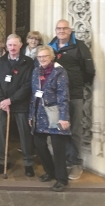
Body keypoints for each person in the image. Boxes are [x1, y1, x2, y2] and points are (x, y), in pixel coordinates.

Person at [48, 19, 95, 180]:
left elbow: (89, 69)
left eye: (64, 28)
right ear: (55, 30)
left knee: (74, 130)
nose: (61, 30)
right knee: (60, 129)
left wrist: (79, 83)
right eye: (58, 28)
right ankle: (65, 160)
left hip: (74, 94)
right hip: (56, 96)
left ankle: (76, 163)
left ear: (70, 30)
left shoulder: (79, 46)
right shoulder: (51, 46)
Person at [29, 45, 71, 192]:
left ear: (51, 57)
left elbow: (63, 96)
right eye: (39, 57)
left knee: (58, 146)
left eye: (45, 56)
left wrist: (64, 118)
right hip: (39, 113)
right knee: (39, 143)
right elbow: (33, 94)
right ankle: (50, 171)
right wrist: (30, 115)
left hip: (55, 113)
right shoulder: (35, 71)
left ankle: (61, 179)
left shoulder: (60, 72)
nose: (42, 59)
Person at [0, 34, 35, 177]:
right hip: (3, 105)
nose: (12, 48)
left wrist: (11, 100)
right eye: (10, 45)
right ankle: (3, 161)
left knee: (25, 134)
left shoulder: (28, 62)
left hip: (20, 104)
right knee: (1, 134)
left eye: (15, 45)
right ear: (6, 45)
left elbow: (27, 85)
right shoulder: (1, 62)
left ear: (20, 45)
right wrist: (1, 100)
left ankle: (28, 163)